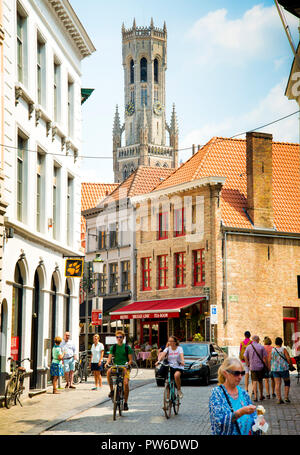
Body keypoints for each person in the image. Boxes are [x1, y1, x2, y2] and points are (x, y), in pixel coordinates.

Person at [209, 357, 265, 435]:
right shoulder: (217, 393)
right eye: (236, 373)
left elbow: (253, 416)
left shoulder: (243, 393)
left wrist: (259, 421)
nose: (240, 377)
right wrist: (240, 412)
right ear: (225, 373)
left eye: (242, 373)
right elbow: (219, 422)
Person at [105, 330, 133, 411]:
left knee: (126, 383)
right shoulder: (114, 347)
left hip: (124, 367)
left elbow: (130, 359)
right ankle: (112, 391)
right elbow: (109, 358)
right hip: (116, 366)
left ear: (123, 338)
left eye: (120, 337)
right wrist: (107, 363)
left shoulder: (127, 347)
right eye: (117, 337)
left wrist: (128, 364)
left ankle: (125, 403)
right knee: (108, 372)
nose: (119, 338)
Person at [268, 337, 292, 404]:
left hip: (275, 369)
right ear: (281, 342)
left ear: (275, 342)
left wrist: (270, 368)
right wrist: (290, 365)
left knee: (277, 384)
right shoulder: (283, 350)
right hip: (284, 369)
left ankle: (279, 399)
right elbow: (288, 358)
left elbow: (269, 360)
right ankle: (286, 397)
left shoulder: (272, 350)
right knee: (287, 382)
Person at [244, 335, 267, 402]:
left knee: (254, 381)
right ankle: (261, 395)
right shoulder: (261, 347)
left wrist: (247, 363)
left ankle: (256, 397)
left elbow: (245, 356)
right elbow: (265, 357)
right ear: (257, 340)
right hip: (260, 367)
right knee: (260, 381)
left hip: (252, 367)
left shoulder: (248, 347)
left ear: (252, 340)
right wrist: (265, 365)